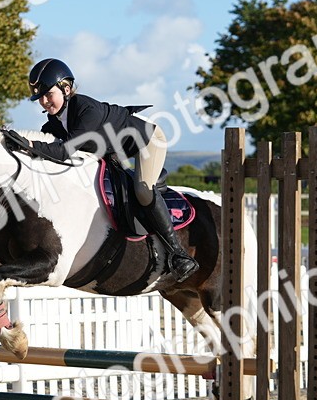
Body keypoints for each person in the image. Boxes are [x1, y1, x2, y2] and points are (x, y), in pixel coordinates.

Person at [21, 57, 198, 283]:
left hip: (147, 140)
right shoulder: (52, 124)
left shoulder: (86, 110)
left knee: (143, 190)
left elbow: (64, 151)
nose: (44, 101)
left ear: (65, 88)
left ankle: (178, 254)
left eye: (48, 94)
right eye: (39, 98)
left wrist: (30, 144)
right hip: (113, 150)